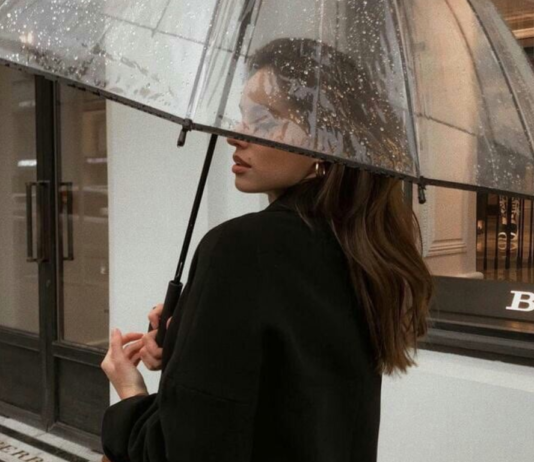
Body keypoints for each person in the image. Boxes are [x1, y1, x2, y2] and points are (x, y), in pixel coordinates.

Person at [100, 38, 435, 462]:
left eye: (263, 119)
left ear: (326, 140)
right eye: (242, 116)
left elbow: (180, 451)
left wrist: (130, 392)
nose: (234, 136)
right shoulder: (363, 252)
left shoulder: (241, 250)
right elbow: (287, 398)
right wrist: (190, 339)